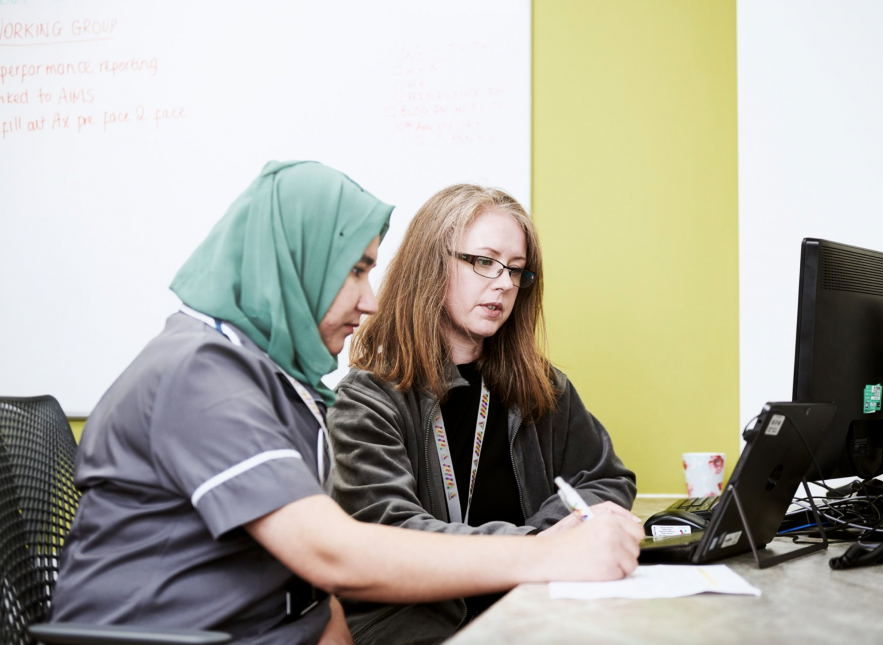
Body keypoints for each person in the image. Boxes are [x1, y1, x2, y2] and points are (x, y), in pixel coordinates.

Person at [48, 162, 642, 645]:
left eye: (515, 271)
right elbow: (333, 553)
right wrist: (542, 554)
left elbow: (315, 592)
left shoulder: (279, 385)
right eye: (355, 271)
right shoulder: (197, 372)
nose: (371, 302)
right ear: (293, 262)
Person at [329, 184, 638, 644]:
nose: (504, 283)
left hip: (527, 609)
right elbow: (391, 532)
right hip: (417, 627)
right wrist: (540, 549)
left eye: (516, 270)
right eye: (484, 262)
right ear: (431, 264)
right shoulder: (366, 399)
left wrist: (543, 539)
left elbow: (607, 481)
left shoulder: (541, 386)